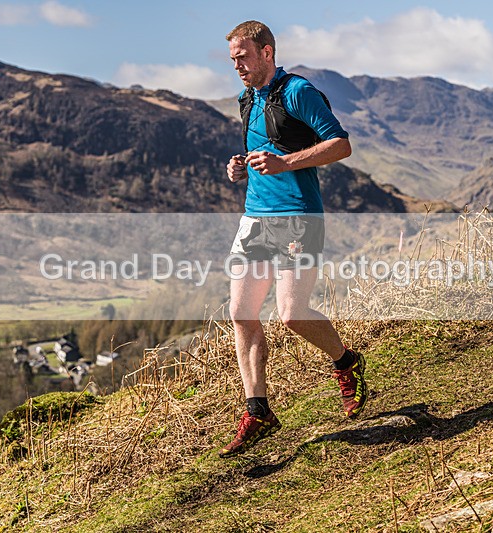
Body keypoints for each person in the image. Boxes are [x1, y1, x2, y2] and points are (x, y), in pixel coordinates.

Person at [219, 20, 367, 458]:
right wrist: (241, 167)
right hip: (255, 220)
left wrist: (285, 164)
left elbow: (340, 145)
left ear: (267, 52)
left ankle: (346, 363)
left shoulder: (299, 91)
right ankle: (258, 409)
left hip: (299, 218)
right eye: (232, 60)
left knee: (290, 314)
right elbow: (263, 147)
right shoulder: (246, 100)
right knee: (241, 313)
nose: (238, 66)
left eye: (243, 57)